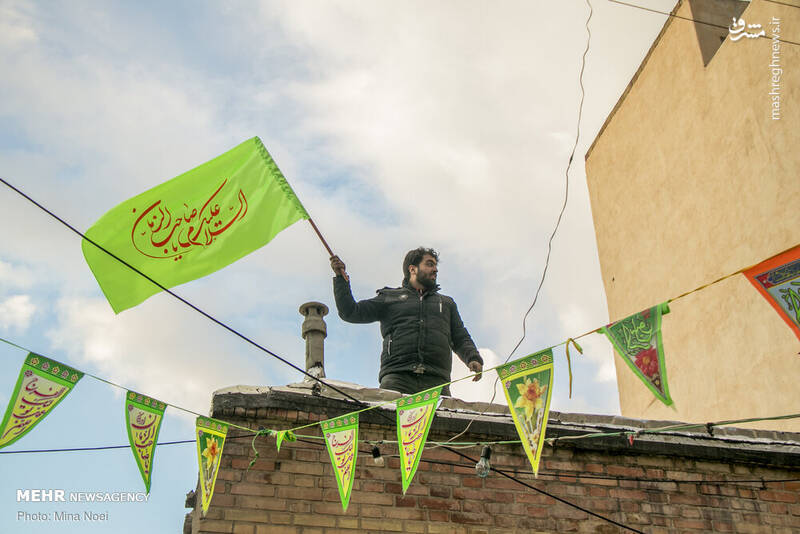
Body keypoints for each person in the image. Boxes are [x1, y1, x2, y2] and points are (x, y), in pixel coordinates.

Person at [330, 247, 483, 396]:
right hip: (397, 378)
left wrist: (473, 357)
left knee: (439, 423)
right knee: (390, 422)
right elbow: (350, 312)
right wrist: (340, 279)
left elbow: (460, 337)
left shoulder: (447, 303)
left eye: (436, 265)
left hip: (437, 381)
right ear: (412, 269)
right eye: (429, 264)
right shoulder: (390, 297)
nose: (435, 269)